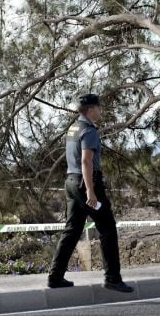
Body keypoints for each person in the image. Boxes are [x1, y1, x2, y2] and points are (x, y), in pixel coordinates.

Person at [47, 93, 133, 293]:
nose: (101, 110)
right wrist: (91, 192)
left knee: (72, 230)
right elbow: (86, 161)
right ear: (91, 109)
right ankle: (112, 278)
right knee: (108, 229)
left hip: (70, 181)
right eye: (99, 107)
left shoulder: (74, 128)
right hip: (86, 183)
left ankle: (55, 276)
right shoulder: (89, 130)